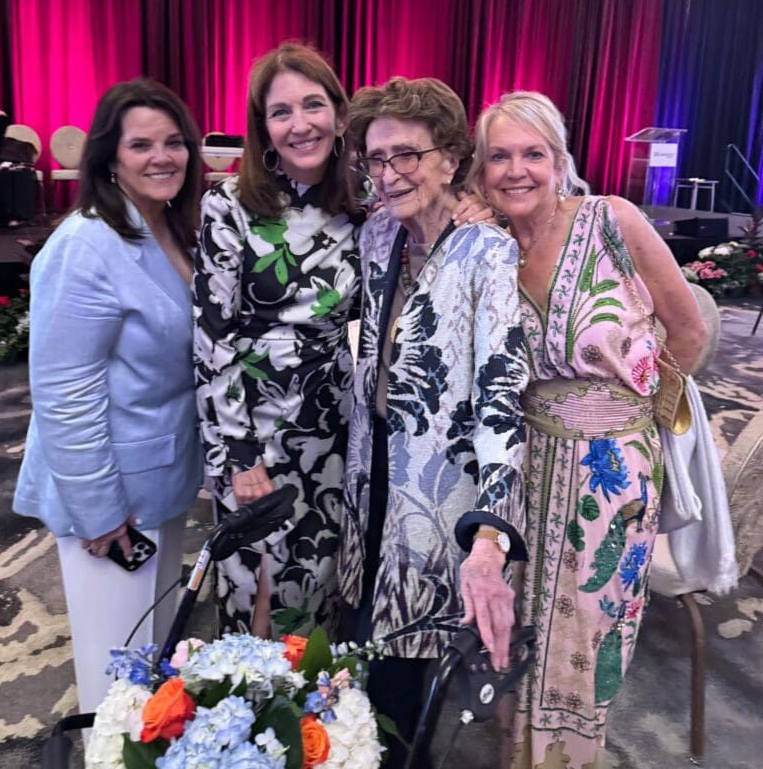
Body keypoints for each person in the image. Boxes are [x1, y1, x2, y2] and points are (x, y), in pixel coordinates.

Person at [467, 91, 708, 769]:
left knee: (589, 637)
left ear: (560, 160)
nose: (517, 170)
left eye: (532, 154)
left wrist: (637, 424)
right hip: (523, 462)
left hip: (612, 478)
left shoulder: (612, 221)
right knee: (519, 628)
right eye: (499, 156)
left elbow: (687, 331)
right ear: (481, 171)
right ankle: (517, 755)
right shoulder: (487, 248)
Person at [338, 76, 529, 766]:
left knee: (404, 687)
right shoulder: (377, 235)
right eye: (375, 158)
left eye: (406, 156)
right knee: (356, 661)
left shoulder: (488, 254)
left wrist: (490, 538)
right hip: (368, 486)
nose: (387, 174)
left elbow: (502, 397)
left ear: (450, 158)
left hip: (437, 500)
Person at [13, 78, 203, 715]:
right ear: (108, 157)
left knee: (152, 662)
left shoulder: (167, 226)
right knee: (118, 684)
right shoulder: (85, 246)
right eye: (141, 144)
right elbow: (65, 393)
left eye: (174, 142)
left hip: (159, 478)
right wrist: (97, 509)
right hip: (109, 496)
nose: (162, 156)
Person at [193, 42, 362, 639]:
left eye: (312, 105)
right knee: (256, 586)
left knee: (317, 585)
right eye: (280, 111)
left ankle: (311, 728)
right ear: (262, 126)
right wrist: (239, 456)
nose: (299, 124)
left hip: (332, 431)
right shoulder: (229, 207)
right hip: (253, 431)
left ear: (340, 117)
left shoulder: (362, 210)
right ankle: (254, 723)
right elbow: (212, 339)